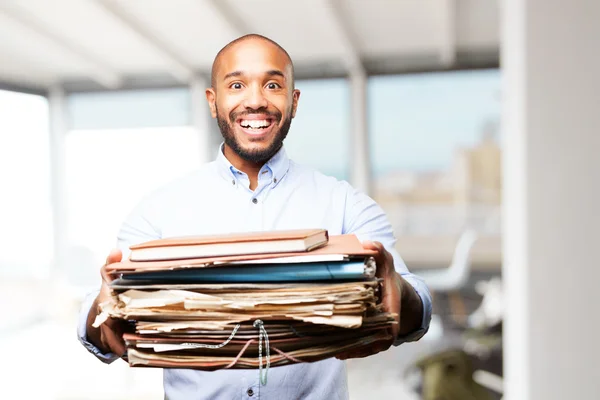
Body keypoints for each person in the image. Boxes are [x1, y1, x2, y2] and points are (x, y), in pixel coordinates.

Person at [78, 34, 432, 400]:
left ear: (293, 102)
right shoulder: (157, 211)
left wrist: (398, 289)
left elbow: (416, 309)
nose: (256, 100)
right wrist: (105, 306)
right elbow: (94, 331)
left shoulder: (346, 205)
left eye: (273, 84)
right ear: (213, 103)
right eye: (236, 85)